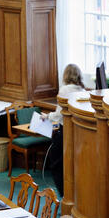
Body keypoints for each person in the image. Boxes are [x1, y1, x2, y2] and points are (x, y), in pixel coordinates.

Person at [41, 64, 86, 196]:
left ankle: (65, 194)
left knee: (56, 163)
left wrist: (47, 116)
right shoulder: (82, 90)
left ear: (65, 75)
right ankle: (72, 194)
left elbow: (59, 114)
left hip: (64, 131)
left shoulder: (65, 89)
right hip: (77, 132)